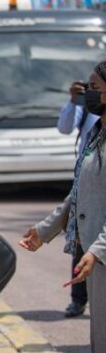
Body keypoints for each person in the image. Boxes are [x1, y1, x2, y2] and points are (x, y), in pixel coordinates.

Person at [20, 61, 106, 353]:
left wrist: (97, 251)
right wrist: (45, 230)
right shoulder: (97, 133)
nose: (90, 93)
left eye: (95, 88)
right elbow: (80, 192)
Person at [56, 79, 100, 318]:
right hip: (85, 183)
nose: (91, 91)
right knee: (80, 243)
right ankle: (78, 299)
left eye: (96, 86)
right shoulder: (88, 110)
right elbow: (64, 127)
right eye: (89, 86)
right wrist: (74, 101)